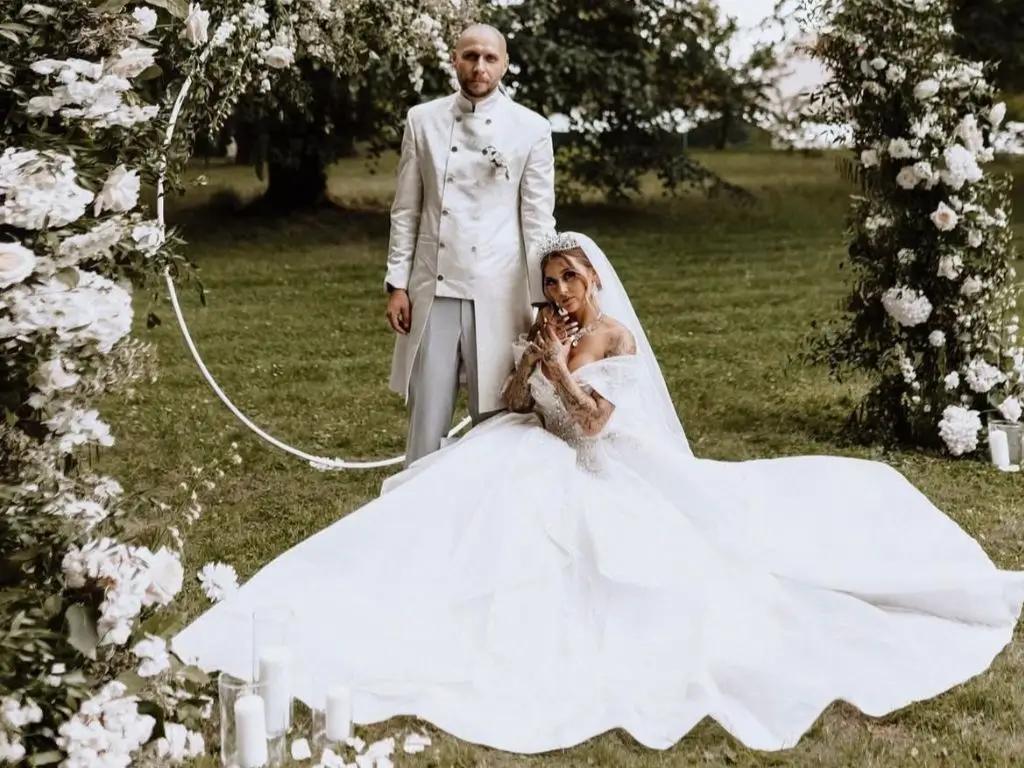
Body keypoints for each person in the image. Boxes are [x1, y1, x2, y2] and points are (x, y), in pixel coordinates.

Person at [174, 233, 1024, 754]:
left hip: (593, 463)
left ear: (594, 282)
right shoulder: (548, 328)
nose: (558, 294)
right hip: (525, 444)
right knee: (451, 503)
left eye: (569, 281)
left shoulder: (610, 335)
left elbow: (591, 427)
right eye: (550, 283)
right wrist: (528, 363)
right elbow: (517, 407)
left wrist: (556, 367)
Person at [384, 23, 556, 465]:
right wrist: (397, 284)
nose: (480, 66)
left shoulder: (531, 128)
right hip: (433, 288)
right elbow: (406, 209)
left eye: (490, 58)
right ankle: (418, 498)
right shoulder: (422, 120)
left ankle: (491, 506)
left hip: (499, 291)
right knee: (426, 418)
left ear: (505, 64)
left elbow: (538, 222)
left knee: (499, 418)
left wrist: (544, 300)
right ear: (454, 59)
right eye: (470, 56)